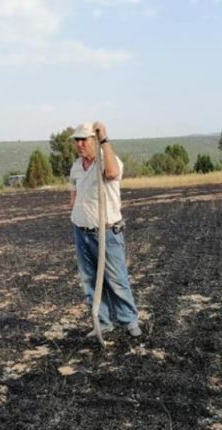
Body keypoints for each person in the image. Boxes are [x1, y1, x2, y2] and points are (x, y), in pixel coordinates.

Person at [69, 121, 142, 338]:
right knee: (89, 279)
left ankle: (129, 321)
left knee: (116, 279)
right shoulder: (76, 166)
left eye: (85, 139)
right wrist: (76, 212)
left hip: (107, 232)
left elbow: (112, 173)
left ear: (95, 140)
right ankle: (102, 322)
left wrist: (105, 139)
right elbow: (73, 190)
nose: (80, 144)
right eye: (77, 140)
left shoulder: (106, 160)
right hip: (82, 232)